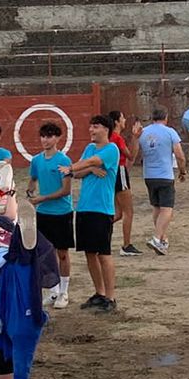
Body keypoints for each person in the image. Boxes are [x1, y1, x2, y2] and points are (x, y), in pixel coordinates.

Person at [68, 116, 121, 310]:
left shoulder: (111, 149)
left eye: (95, 126)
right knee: (89, 253)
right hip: (84, 207)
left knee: (104, 253)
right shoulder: (89, 148)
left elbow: (89, 163)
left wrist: (79, 166)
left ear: (106, 129)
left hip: (101, 209)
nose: (91, 130)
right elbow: (78, 173)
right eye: (90, 126)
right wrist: (89, 168)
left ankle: (111, 297)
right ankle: (99, 293)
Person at [27, 121, 74, 307]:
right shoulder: (36, 160)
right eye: (43, 136)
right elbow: (33, 178)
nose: (45, 140)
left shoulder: (64, 161)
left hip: (61, 212)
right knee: (46, 253)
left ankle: (64, 291)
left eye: (49, 136)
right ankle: (53, 290)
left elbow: (66, 190)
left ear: (57, 138)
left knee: (62, 253)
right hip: (43, 213)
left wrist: (41, 198)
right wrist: (30, 191)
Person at [136, 107, 186, 255]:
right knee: (167, 208)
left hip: (149, 175)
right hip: (165, 174)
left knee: (156, 207)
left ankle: (162, 239)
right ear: (166, 117)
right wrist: (182, 171)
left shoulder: (144, 132)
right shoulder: (170, 132)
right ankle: (157, 238)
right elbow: (179, 155)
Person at [107, 110, 140, 258]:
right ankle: (126, 245)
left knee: (118, 213)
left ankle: (99, 233)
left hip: (112, 173)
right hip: (119, 172)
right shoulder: (117, 138)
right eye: (122, 118)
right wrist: (135, 138)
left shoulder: (110, 137)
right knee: (128, 211)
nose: (124, 120)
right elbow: (131, 156)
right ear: (116, 122)